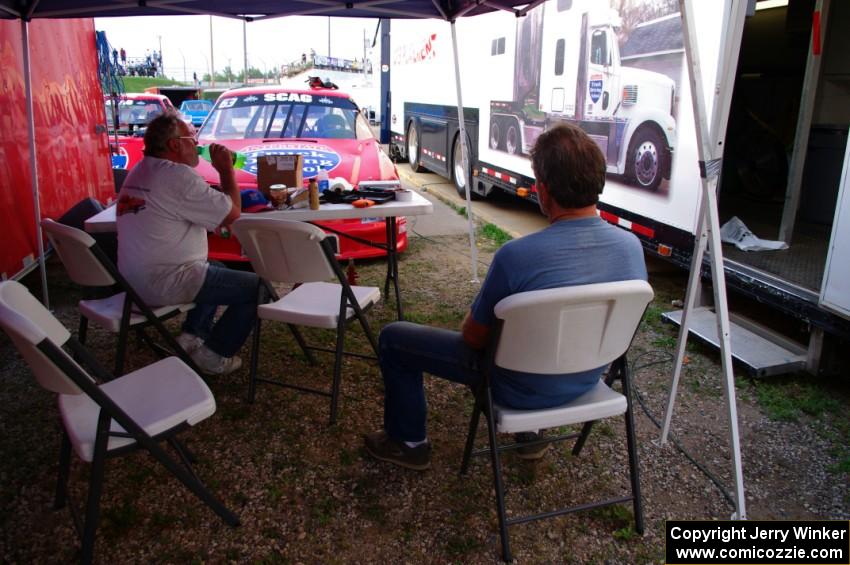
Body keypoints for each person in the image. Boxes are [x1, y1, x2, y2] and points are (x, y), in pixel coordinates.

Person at [364, 123, 648, 470]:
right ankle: (531, 436)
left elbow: (473, 337)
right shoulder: (631, 249)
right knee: (547, 338)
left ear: (543, 190)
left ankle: (408, 442)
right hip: (585, 379)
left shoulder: (517, 257)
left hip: (515, 390)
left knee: (394, 339)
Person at [116, 111, 260, 375]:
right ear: (174, 145)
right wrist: (226, 169)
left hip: (133, 282)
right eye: (191, 138)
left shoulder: (141, 169)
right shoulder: (177, 175)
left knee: (213, 265)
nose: (197, 143)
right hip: (165, 280)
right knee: (260, 288)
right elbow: (233, 215)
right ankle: (214, 355)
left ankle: (193, 335)